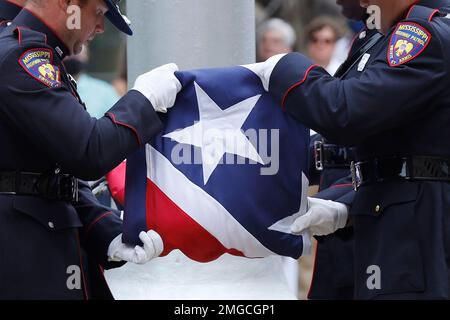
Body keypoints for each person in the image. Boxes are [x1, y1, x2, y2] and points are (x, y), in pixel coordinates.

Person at [248, 0, 450, 299]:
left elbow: (345, 112)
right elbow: (360, 143)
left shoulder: (423, 35)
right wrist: (342, 201)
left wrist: (284, 65)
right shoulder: (377, 36)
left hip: (411, 231)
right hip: (374, 218)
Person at [0, 0, 180, 299]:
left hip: (45, 248)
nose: (99, 27)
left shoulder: (36, 56)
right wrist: (144, 100)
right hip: (23, 257)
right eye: (98, 13)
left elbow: (51, 173)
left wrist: (105, 232)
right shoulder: (21, 57)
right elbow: (88, 150)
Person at [306, 0, 384, 300]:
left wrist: (346, 203)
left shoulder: (401, 40)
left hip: (374, 223)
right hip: (340, 235)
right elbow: (334, 143)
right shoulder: (369, 38)